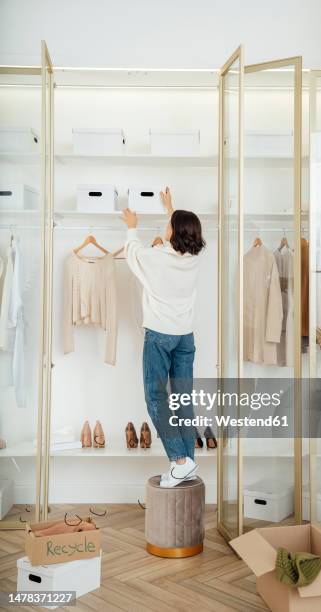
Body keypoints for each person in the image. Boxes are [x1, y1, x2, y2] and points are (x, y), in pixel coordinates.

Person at [121, 187, 205, 487]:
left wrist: (132, 228)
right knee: (182, 398)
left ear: (174, 233)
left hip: (159, 336)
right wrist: (170, 207)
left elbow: (132, 254)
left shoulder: (156, 258)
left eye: (168, 225)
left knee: (157, 397)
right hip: (185, 338)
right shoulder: (195, 256)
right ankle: (189, 461)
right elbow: (179, 234)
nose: (166, 228)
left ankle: (179, 461)